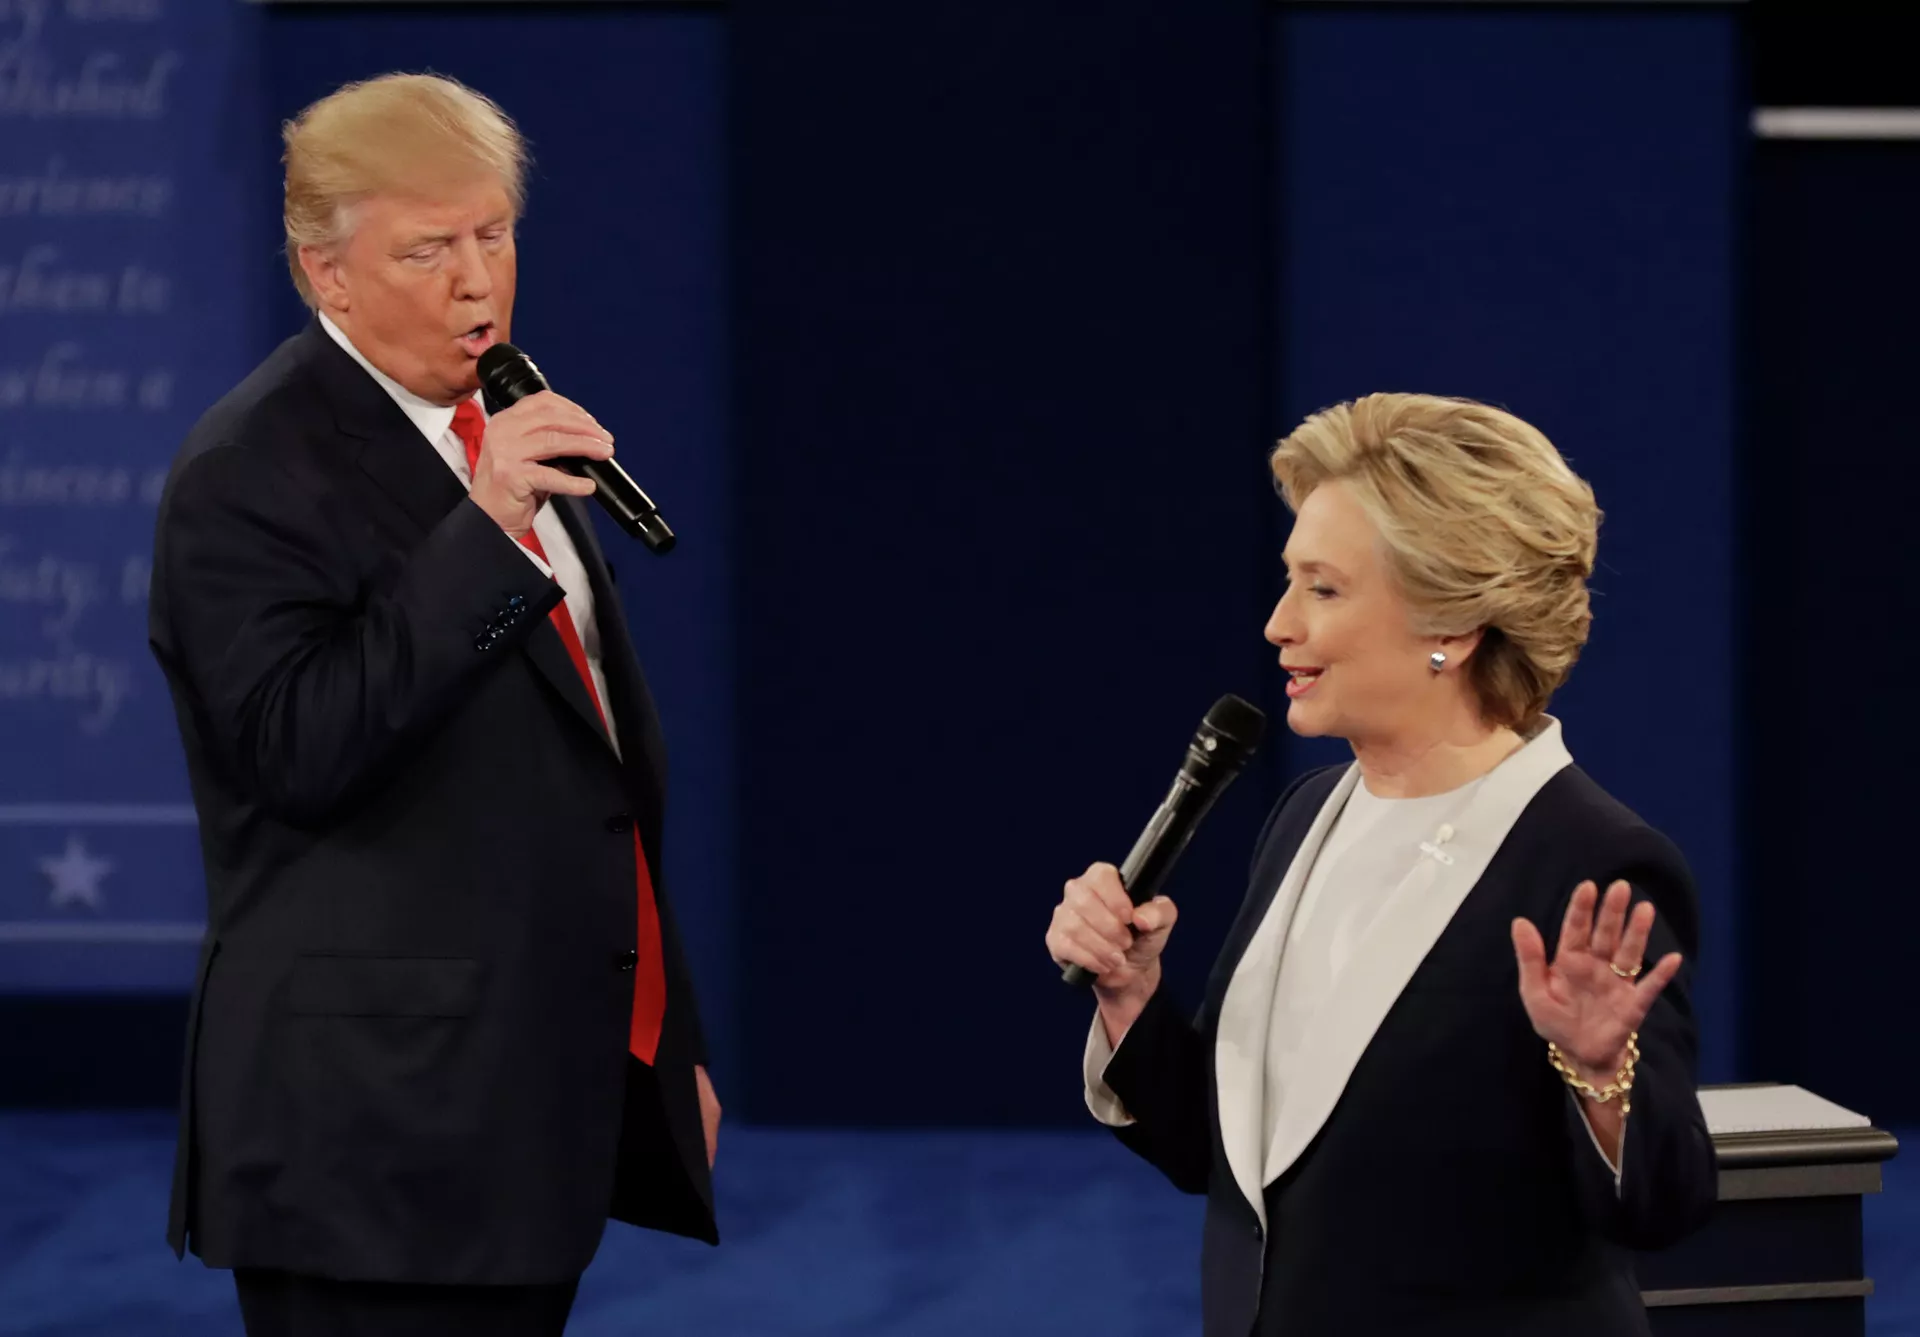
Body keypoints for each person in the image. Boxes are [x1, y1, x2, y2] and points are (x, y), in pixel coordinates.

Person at [148, 73, 720, 1337]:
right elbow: (298, 750)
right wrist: (486, 529)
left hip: (525, 1116)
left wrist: (662, 1039)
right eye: (427, 248)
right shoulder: (246, 471)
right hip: (365, 1141)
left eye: (494, 234)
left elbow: (587, 769)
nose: (479, 280)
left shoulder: (495, 419)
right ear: (325, 274)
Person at [1045, 394, 1717, 1336]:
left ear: (1452, 617)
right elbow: (1229, 1158)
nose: (1279, 623)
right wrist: (1129, 998)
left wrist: (1600, 1070)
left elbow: (1663, 1204)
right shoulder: (1305, 815)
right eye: (1289, 582)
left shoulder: (1593, 861)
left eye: (1322, 588)